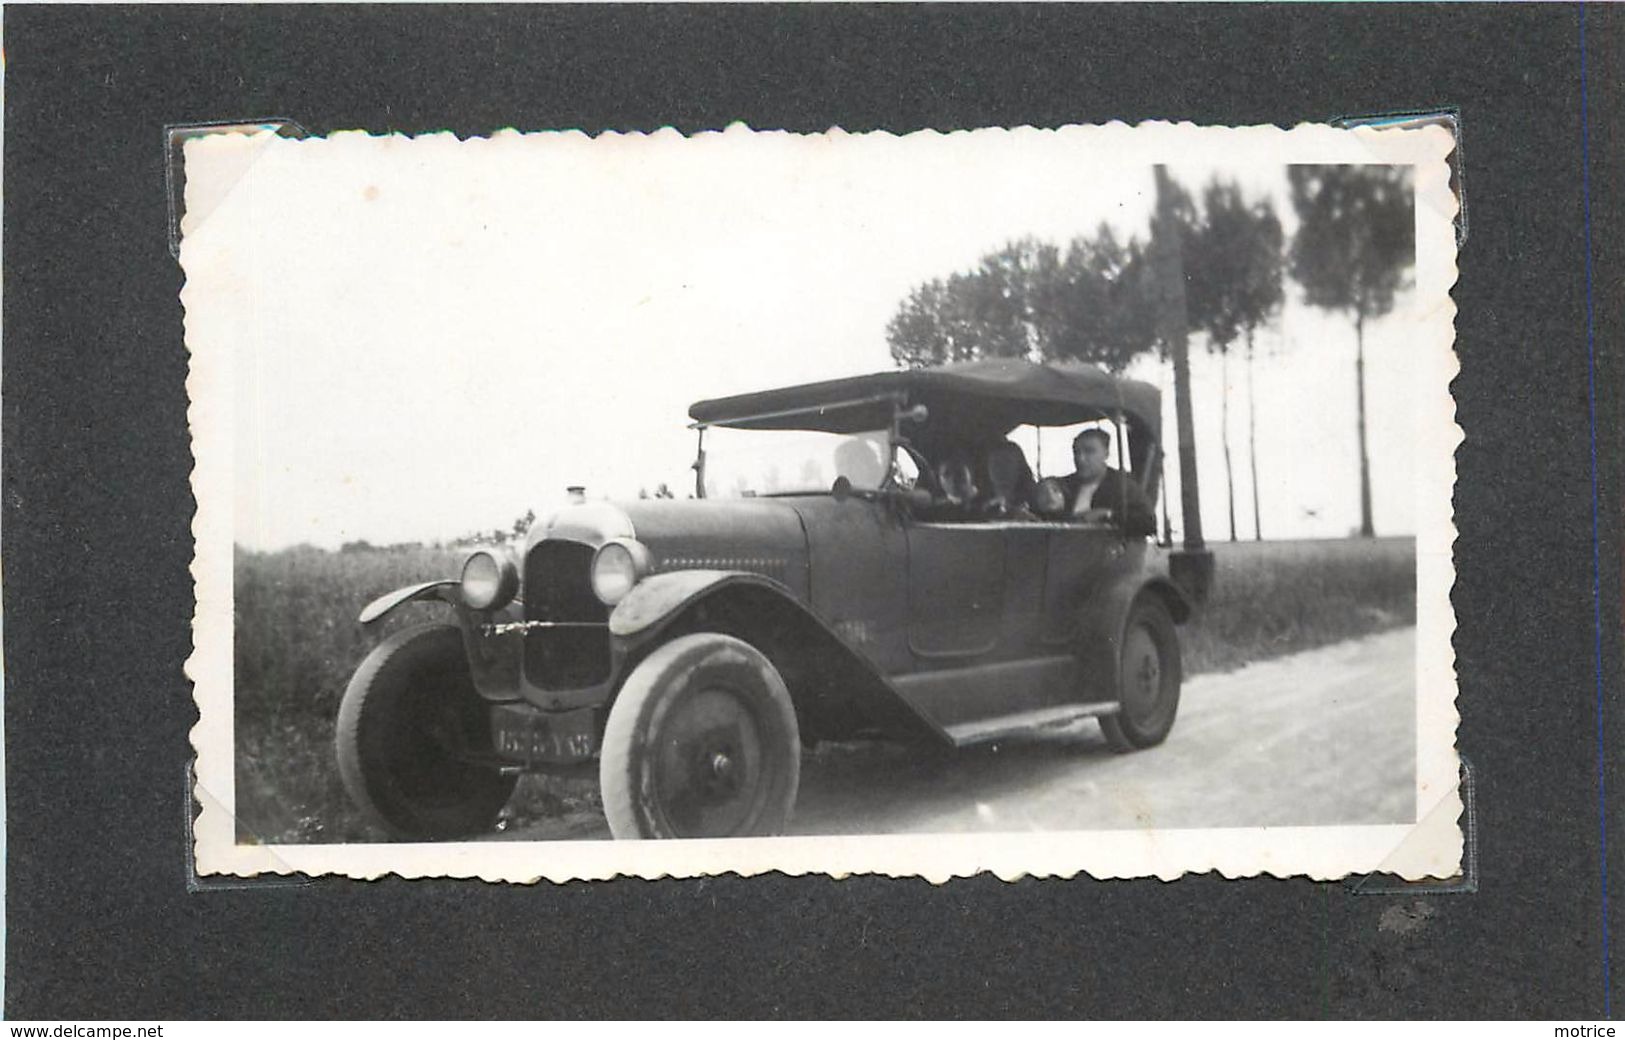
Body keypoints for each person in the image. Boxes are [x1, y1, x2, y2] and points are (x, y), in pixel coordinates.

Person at [1052, 428, 1157, 537]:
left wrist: (1108, 515)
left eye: (1089, 451)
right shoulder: (1064, 485)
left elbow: (1148, 523)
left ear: (1106, 454)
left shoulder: (1123, 486)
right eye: (1076, 452)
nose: (1080, 458)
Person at [976, 440, 1037, 519]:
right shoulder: (978, 507)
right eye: (996, 463)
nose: (1001, 470)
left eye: (1007, 463)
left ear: (1020, 468)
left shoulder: (1035, 504)